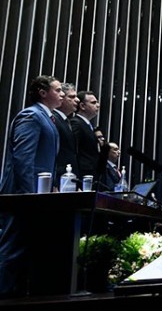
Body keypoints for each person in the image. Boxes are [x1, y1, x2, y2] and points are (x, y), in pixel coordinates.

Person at [0, 75, 64, 298]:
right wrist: (29, 195)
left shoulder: (48, 118)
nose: (62, 94)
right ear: (42, 92)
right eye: (57, 90)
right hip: (22, 196)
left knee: (25, 249)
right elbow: (23, 159)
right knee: (12, 248)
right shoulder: (31, 115)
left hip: (38, 195)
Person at [71, 90, 101, 178]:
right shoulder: (76, 123)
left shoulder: (87, 124)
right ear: (82, 106)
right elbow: (74, 151)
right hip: (82, 175)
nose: (98, 105)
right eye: (93, 103)